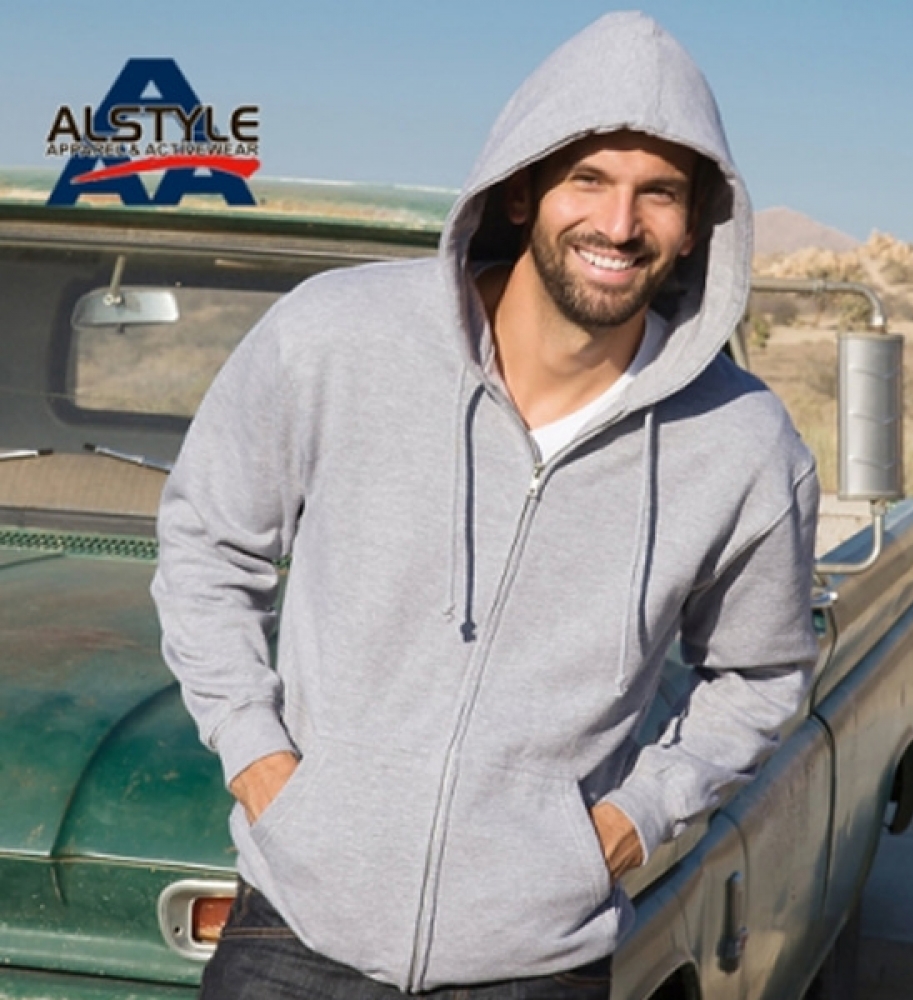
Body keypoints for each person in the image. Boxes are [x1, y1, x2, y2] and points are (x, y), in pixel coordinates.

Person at [152, 11, 819, 999]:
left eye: (659, 192)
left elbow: (759, 674)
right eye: (587, 178)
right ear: (520, 189)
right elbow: (208, 546)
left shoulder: (742, 444)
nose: (619, 224)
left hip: (535, 965)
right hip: (294, 935)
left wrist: (628, 823)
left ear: (695, 224)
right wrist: (261, 762)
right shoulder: (335, 338)